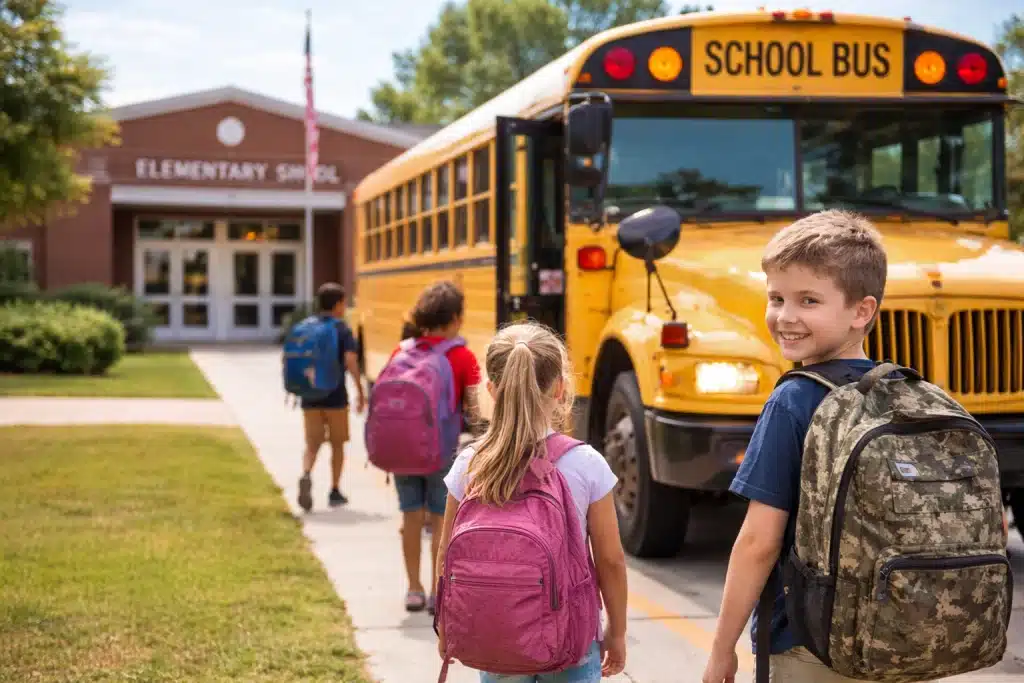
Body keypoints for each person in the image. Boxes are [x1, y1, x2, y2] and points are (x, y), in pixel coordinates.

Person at [702, 211, 891, 683]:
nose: (786, 316)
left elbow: (758, 543)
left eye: (808, 300)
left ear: (861, 311)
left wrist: (722, 649)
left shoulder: (794, 400)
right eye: (777, 298)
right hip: (897, 637)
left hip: (811, 644)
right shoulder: (901, 392)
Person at [436, 321, 629, 682]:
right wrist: (616, 633)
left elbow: (447, 552)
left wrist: (446, 622)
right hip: (570, 639)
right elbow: (611, 561)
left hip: (496, 631)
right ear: (560, 388)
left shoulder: (471, 463)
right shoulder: (585, 463)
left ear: (492, 390)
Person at [387, 281, 483, 614]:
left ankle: (413, 589)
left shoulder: (401, 351)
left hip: (402, 451)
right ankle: (436, 591)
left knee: (410, 516)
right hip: (441, 451)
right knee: (442, 521)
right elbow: (473, 410)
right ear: (455, 318)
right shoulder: (462, 356)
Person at [297, 282, 366, 513]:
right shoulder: (342, 329)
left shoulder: (307, 327)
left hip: (310, 397)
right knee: (337, 444)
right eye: (343, 303)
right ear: (337, 304)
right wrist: (360, 390)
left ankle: (306, 473)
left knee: (312, 443)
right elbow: (351, 361)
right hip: (336, 397)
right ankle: (335, 490)